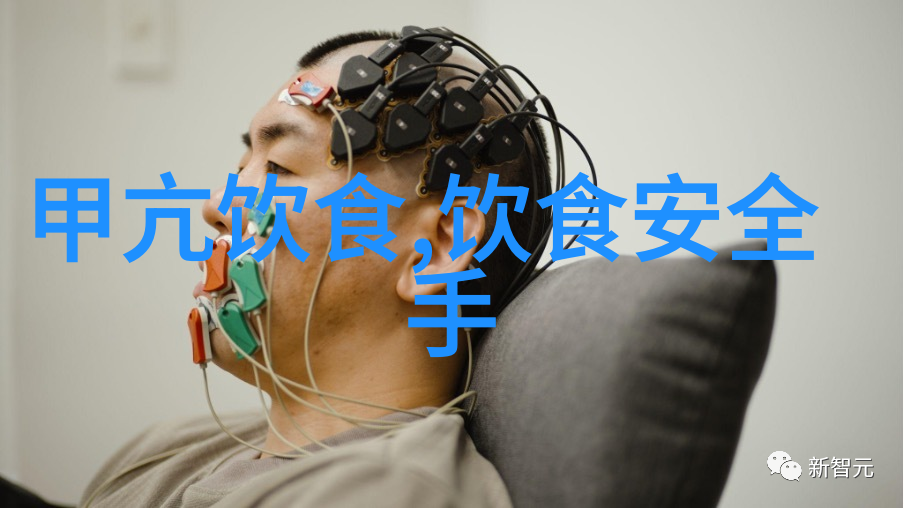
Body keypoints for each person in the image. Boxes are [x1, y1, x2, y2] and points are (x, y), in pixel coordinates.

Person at [69, 29, 548, 508]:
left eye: (278, 168)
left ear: (438, 247)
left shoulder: (389, 494)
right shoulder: (166, 446)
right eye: (241, 170)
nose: (215, 206)